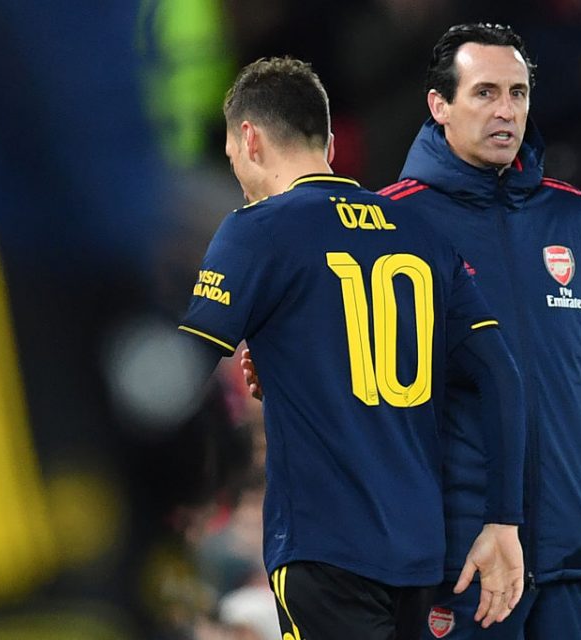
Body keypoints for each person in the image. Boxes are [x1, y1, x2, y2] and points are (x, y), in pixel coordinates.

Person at [243, 23, 581, 639]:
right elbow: (342, 359)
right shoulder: (390, 220)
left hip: (567, 562)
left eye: (517, 93)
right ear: (439, 106)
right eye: (484, 93)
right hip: (457, 563)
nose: (505, 110)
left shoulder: (575, 217)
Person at [179, 56, 527, 640]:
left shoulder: (257, 228)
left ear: (249, 137)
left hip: (325, 545)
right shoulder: (421, 232)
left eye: (232, 155)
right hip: (419, 549)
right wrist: (504, 521)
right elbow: (502, 376)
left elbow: (185, 364)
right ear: (332, 145)